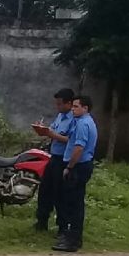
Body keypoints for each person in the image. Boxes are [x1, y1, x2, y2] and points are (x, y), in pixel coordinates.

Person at [52, 95, 98, 253]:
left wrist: (70, 167)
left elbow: (78, 148)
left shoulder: (82, 124)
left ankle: (72, 239)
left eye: (76, 106)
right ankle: (73, 238)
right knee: (74, 203)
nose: (73, 109)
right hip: (82, 165)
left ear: (85, 108)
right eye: (73, 106)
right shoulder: (86, 122)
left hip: (78, 166)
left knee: (73, 204)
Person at [34, 88, 75, 234]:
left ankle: (63, 227)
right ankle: (41, 220)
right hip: (53, 157)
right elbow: (51, 131)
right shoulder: (60, 116)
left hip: (64, 159)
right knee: (45, 190)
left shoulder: (74, 119)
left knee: (61, 194)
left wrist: (52, 135)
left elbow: (71, 140)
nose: (58, 107)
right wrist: (43, 130)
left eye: (60, 104)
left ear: (69, 103)